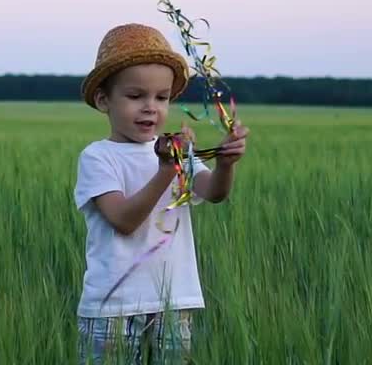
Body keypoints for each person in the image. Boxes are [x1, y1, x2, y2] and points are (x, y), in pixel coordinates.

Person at [74, 23, 250, 364]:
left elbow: (213, 193)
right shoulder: (98, 157)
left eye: (161, 97)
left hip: (174, 303)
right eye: (135, 96)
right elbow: (124, 221)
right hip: (113, 307)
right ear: (103, 100)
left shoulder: (175, 152)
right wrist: (167, 170)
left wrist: (227, 164)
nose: (150, 107)